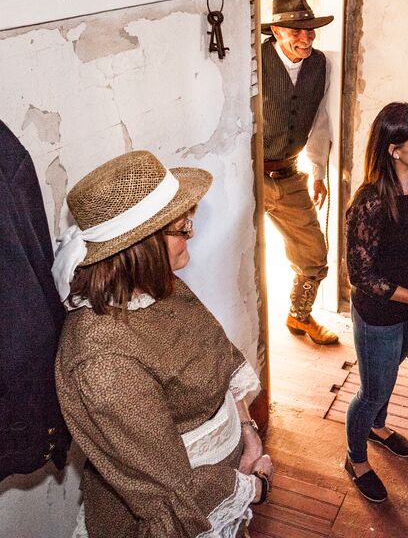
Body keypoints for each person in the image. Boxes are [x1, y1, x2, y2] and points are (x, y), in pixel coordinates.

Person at [53, 150, 271, 538]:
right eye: (181, 228)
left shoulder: (158, 288)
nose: (192, 232)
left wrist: (250, 434)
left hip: (230, 483)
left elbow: (218, 356)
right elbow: (174, 497)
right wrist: (255, 487)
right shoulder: (102, 361)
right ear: (141, 246)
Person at [343, 103, 408, 503]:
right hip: (380, 314)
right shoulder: (369, 203)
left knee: (388, 373)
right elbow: (361, 276)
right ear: (393, 148)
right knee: (372, 389)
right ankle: (355, 459)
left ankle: (377, 427)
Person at [261, 0, 338, 345]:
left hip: (288, 174)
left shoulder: (319, 64)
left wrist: (319, 171)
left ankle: (299, 316)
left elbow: (320, 119)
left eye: (310, 32)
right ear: (277, 31)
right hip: (249, 176)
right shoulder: (254, 59)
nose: (306, 39)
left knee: (313, 253)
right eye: (297, 31)